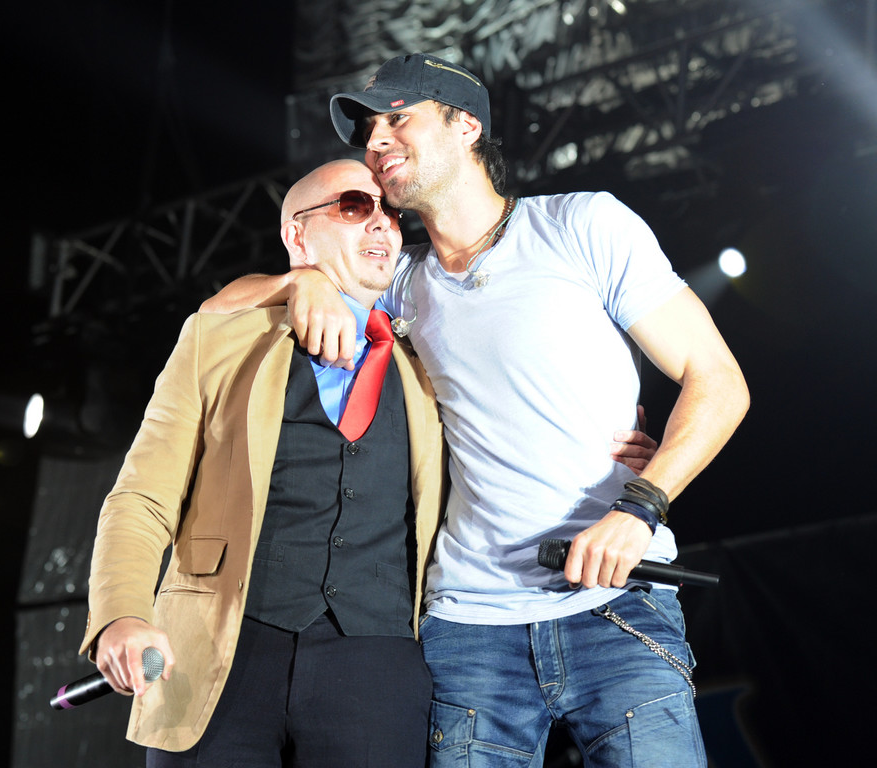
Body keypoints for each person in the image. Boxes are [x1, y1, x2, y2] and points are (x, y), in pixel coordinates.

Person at [201, 53, 750, 768]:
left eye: (399, 118)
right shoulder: (399, 282)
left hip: (617, 607)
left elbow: (718, 380)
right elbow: (219, 309)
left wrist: (640, 506)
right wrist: (301, 278)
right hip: (470, 629)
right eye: (368, 130)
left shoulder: (581, 225)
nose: (376, 142)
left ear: (466, 126)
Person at [79, 159, 447, 767]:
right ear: (297, 236)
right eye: (356, 206)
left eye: (391, 212)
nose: (383, 223)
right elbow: (142, 497)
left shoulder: (431, 361)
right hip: (220, 652)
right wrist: (119, 615)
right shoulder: (219, 338)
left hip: (376, 662)